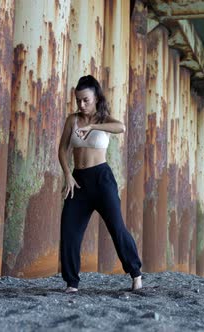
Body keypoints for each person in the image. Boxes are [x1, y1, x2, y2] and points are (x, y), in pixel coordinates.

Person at [58, 75, 142, 293]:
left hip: (102, 179)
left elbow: (122, 127)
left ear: (96, 98)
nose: (81, 104)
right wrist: (67, 173)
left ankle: (136, 274)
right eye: (78, 100)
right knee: (69, 230)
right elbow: (62, 150)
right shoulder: (72, 120)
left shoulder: (104, 120)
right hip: (78, 181)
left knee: (117, 228)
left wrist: (94, 127)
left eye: (86, 100)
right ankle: (71, 283)